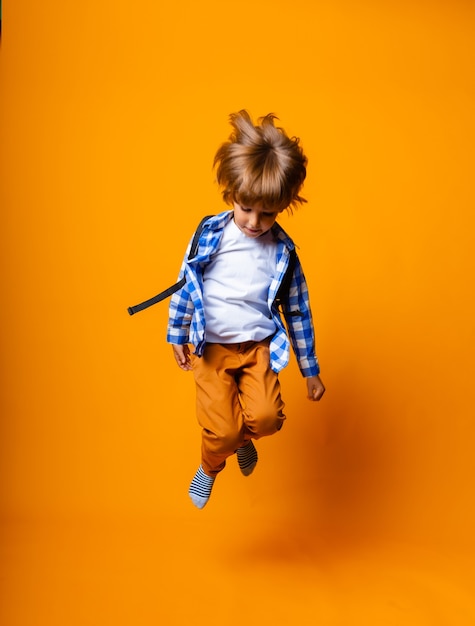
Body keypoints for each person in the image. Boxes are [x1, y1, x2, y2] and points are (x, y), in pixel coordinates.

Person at [167, 110, 325, 509]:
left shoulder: (283, 252)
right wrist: (177, 333)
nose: (255, 222)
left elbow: (298, 311)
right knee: (222, 432)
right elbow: (188, 283)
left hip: (257, 349)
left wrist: (311, 371)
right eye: (246, 208)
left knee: (268, 420)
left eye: (267, 213)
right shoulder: (210, 235)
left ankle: (242, 443)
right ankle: (210, 466)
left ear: (285, 205)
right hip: (213, 349)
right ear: (230, 193)